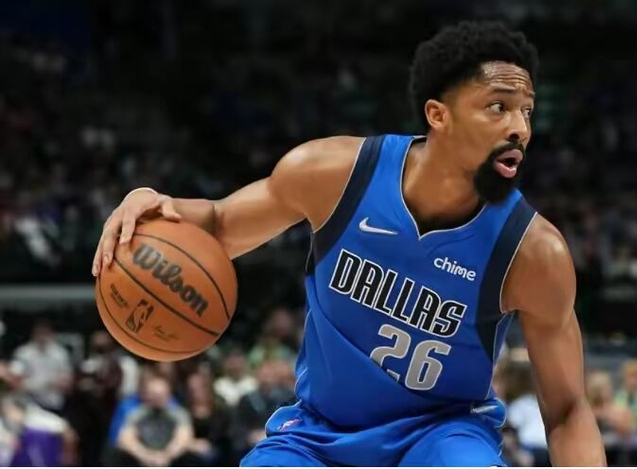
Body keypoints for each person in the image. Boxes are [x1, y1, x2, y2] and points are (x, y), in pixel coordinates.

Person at [93, 20, 605, 466]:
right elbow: (221, 226)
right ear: (438, 115)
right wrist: (150, 203)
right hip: (318, 433)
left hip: (440, 437)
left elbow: (567, 410)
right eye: (498, 107)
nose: (520, 129)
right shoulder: (336, 175)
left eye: (527, 112)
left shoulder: (533, 252)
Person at [108, 375, 196, 466]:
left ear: (169, 395)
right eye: (154, 394)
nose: (157, 398)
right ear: (147, 395)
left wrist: (166, 456)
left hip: (171, 459)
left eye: (161, 394)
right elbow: (124, 439)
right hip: (142, 458)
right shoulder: (136, 414)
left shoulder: (180, 414)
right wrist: (146, 456)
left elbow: (183, 439)